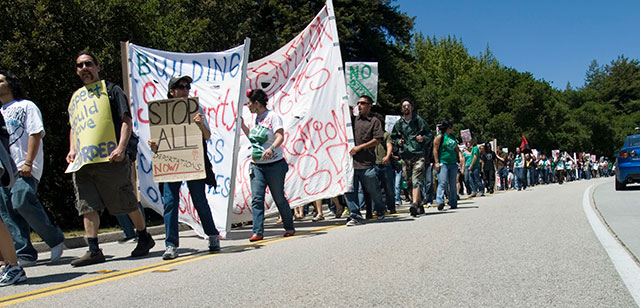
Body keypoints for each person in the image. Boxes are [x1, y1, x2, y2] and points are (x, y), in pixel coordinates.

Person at [66, 51, 155, 267]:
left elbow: (126, 120)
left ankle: (144, 236)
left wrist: (121, 148)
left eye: (88, 64)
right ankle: (94, 249)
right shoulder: (77, 98)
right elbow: (74, 127)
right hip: (84, 163)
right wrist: (72, 150)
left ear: (97, 66)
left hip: (110, 159)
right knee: (87, 205)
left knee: (125, 201)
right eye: (79, 66)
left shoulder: (112, 91)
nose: (84, 68)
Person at [148, 76, 220, 259]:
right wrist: (153, 144)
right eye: (181, 87)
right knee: (170, 203)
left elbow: (207, 136)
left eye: (187, 87)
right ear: (172, 91)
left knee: (199, 201)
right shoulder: (161, 112)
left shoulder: (196, 109)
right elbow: (159, 139)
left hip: (193, 162)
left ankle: (212, 235)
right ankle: (171, 245)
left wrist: (200, 124)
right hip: (171, 163)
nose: (185, 90)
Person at [0, 70, 65, 266]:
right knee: (7, 212)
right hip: (3, 170)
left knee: (21, 201)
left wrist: (28, 162)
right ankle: (25, 253)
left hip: (23, 165)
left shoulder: (26, 106)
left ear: (10, 84)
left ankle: (54, 238)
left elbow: (35, 133)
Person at [240, 89, 295, 241]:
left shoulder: (272, 117)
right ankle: (257, 231)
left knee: (278, 198)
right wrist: (243, 125)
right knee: (257, 199)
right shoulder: (254, 119)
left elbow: (280, 136)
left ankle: (289, 226)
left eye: (250, 103)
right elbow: (253, 137)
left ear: (257, 103)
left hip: (275, 165)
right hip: (257, 165)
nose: (248, 106)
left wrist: (271, 149)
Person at [344, 95, 385, 226]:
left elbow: (378, 139)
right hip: (351, 164)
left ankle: (380, 209)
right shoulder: (352, 121)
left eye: (362, 103)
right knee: (349, 190)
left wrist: (360, 147)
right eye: (358, 103)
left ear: (369, 105)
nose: (359, 106)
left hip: (367, 164)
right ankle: (355, 215)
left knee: (374, 191)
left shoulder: (374, 121)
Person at [391, 99, 429, 217]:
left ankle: (413, 204)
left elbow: (429, 135)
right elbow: (393, 137)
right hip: (405, 155)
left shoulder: (419, 121)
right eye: (404, 106)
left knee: (416, 179)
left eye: (408, 105)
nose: (406, 108)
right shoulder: (399, 124)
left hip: (418, 154)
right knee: (408, 183)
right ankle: (419, 203)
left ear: (412, 107)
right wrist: (398, 141)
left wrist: (423, 139)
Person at [433, 119, 463, 211]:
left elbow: (456, 149)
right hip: (443, 162)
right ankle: (440, 201)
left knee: (453, 183)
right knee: (443, 182)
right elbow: (435, 150)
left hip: (453, 162)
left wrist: (460, 156)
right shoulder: (440, 137)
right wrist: (437, 162)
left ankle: (453, 201)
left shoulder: (452, 137)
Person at [373, 114, 396, 214]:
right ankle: (378, 207)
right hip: (373, 164)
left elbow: (389, 145)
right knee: (376, 189)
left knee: (388, 188)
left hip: (385, 164)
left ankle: (391, 206)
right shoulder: (371, 135)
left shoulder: (386, 135)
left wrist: (387, 156)